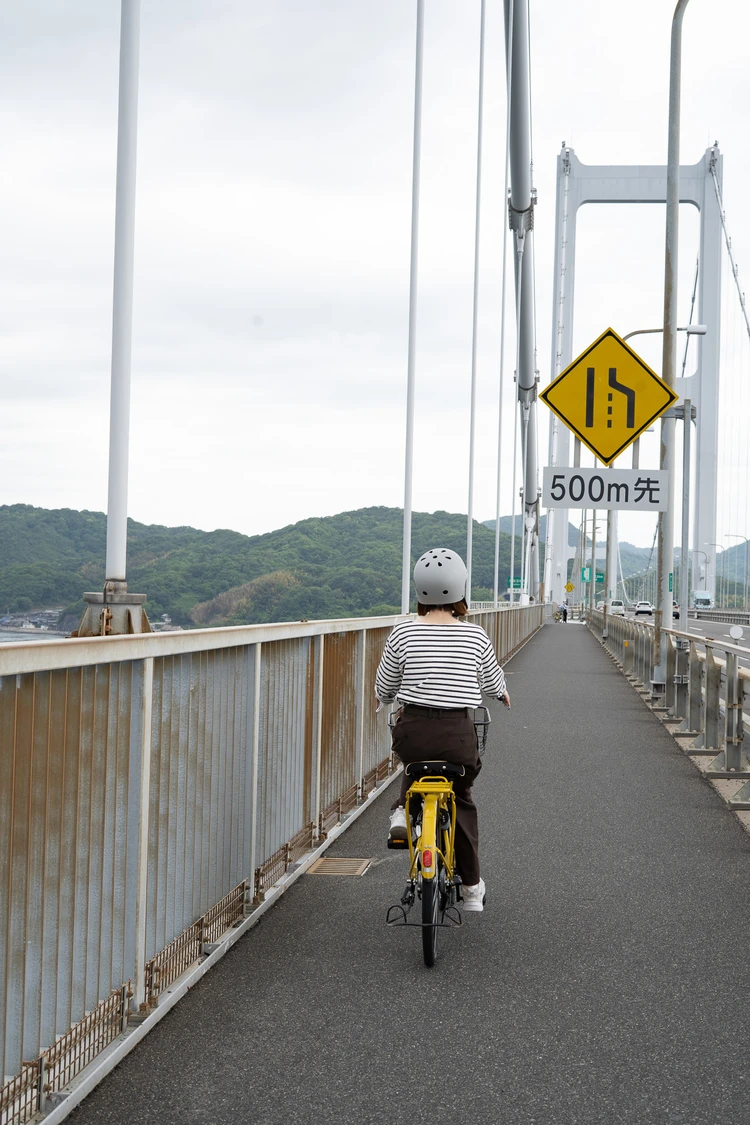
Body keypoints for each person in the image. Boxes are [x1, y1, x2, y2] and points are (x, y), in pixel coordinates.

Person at [374, 548, 510, 913]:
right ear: (461, 589)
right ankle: (470, 890)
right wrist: (502, 694)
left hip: (413, 731)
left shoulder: (402, 632)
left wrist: (382, 698)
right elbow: (494, 680)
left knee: (413, 766)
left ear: (420, 590)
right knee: (461, 796)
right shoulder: (475, 636)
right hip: (457, 735)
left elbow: (385, 685)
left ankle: (402, 812)